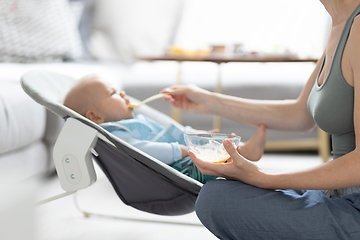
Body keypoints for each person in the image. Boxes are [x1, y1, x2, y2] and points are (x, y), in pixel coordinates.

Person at [161, 1, 360, 239]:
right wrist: (209, 101)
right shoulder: (340, 23)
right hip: (337, 194)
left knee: (218, 202)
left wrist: (263, 177)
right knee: (219, 194)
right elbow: (300, 115)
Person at [63, 75, 267, 184]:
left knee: (211, 150)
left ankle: (242, 151)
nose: (123, 93)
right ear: (95, 117)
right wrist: (187, 150)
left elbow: (173, 131)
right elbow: (143, 151)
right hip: (171, 172)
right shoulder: (115, 132)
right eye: (113, 93)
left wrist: (198, 138)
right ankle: (242, 157)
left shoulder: (139, 120)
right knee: (208, 164)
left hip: (182, 158)